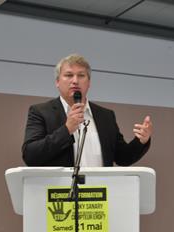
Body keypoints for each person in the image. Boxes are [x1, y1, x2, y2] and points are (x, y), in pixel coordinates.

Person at [22, 53, 152, 167]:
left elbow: (123, 158)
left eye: (81, 75)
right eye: (68, 75)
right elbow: (31, 155)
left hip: (100, 192)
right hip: (60, 193)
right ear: (57, 82)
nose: (75, 81)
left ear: (89, 82)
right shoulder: (41, 112)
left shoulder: (106, 116)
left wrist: (141, 141)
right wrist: (67, 129)